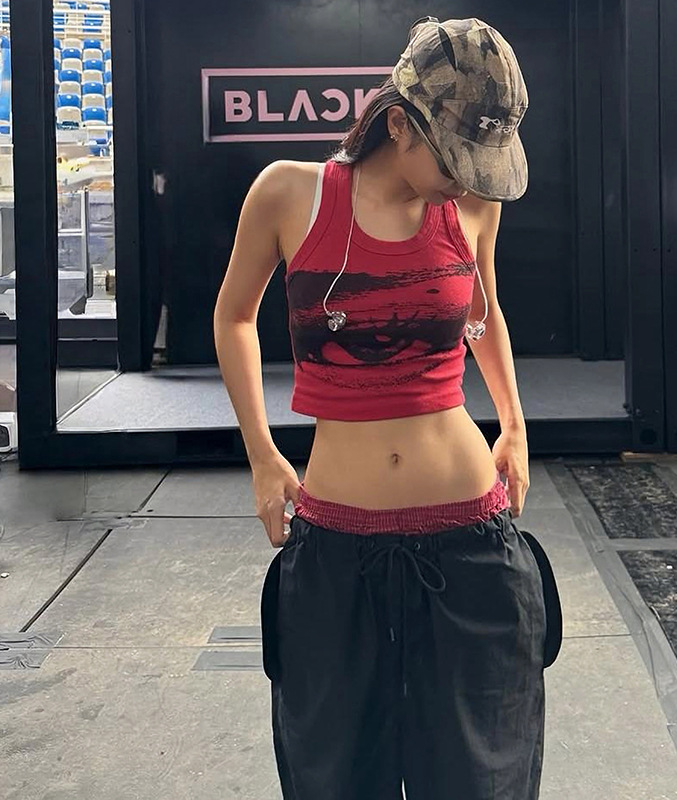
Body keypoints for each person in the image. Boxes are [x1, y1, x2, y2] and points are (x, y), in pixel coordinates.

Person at [214, 15, 546, 800]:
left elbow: (484, 313)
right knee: (334, 775)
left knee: (480, 779)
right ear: (399, 123)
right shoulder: (289, 194)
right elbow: (233, 317)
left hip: (471, 544)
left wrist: (514, 424)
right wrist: (262, 454)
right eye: (455, 156)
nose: (467, 178)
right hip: (337, 549)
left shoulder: (472, 206)